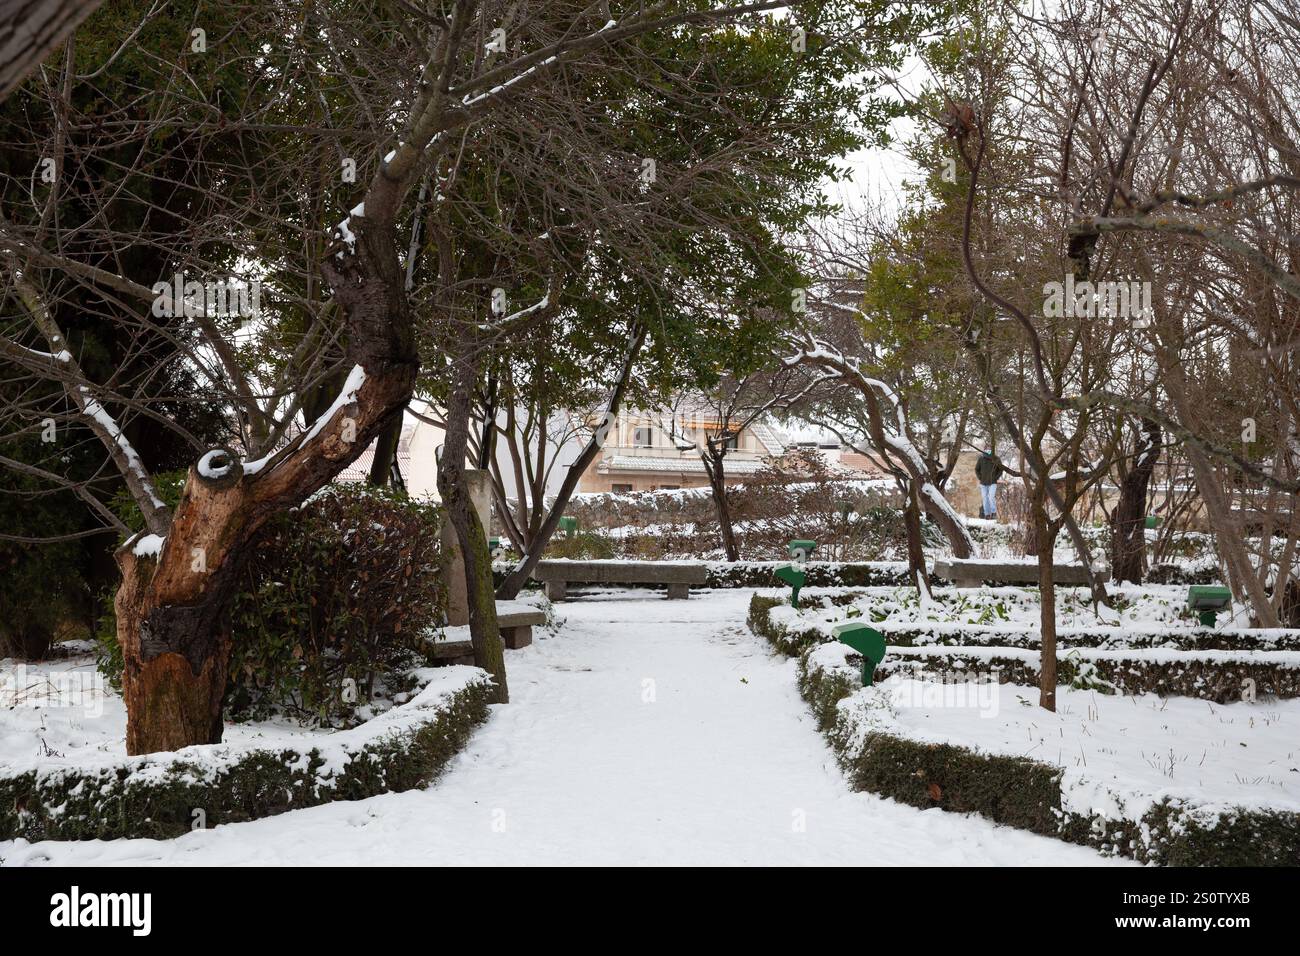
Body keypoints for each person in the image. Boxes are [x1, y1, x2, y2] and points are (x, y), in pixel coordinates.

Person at [975, 448, 1004, 519]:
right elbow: (976, 469)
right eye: (986, 449)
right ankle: (987, 514)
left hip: (992, 482)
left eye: (989, 448)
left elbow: (1000, 469)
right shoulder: (981, 459)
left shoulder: (996, 458)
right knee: (985, 499)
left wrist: (995, 478)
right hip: (983, 483)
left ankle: (994, 513)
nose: (988, 450)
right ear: (984, 450)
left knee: (991, 497)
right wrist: (980, 477)